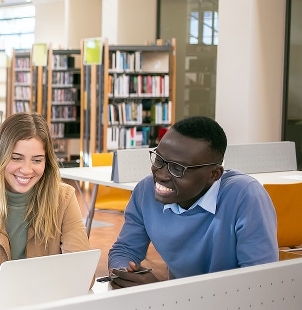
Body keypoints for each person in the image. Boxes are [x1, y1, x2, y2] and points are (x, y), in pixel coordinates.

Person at [108, 116, 278, 288]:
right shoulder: (146, 190)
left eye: (177, 168)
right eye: (159, 160)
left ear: (213, 175)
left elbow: (259, 284)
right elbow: (125, 250)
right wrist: (124, 271)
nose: (161, 175)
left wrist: (160, 292)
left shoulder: (245, 196)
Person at [0, 112, 91, 301]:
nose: (26, 169)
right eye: (16, 158)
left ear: (47, 162)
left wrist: (10, 289)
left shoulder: (64, 199)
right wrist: (37, 287)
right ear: (0, 157)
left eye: (37, 160)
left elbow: (82, 275)